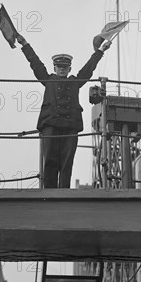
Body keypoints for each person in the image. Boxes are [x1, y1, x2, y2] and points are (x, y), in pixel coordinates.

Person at [16, 34, 111, 188]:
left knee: (67, 162)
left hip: (70, 125)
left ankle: (64, 192)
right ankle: (48, 193)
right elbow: (35, 63)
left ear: (69, 69)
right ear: (54, 68)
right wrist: (25, 44)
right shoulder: (48, 80)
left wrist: (100, 50)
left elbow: (88, 69)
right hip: (50, 125)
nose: (62, 70)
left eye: (64, 68)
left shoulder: (75, 82)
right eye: (59, 67)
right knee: (50, 161)